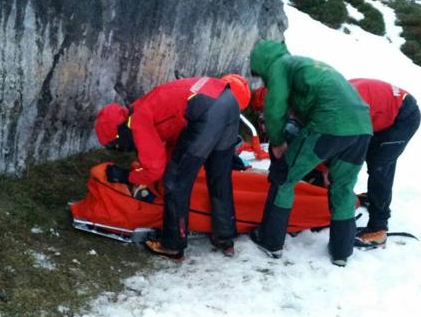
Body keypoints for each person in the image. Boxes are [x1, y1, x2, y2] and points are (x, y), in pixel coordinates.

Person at [94, 75, 251, 259]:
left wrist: (126, 176)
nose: (120, 150)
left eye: (115, 146)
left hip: (207, 112)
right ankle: (224, 237)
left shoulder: (138, 121)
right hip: (227, 100)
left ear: (119, 134)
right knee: (219, 176)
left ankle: (173, 244)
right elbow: (175, 140)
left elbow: (155, 169)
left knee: (174, 183)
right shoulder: (145, 106)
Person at [248, 40, 372, 267]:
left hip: (329, 123)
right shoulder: (305, 64)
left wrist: (276, 142)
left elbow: (275, 107)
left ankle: (271, 242)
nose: (260, 77)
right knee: (343, 187)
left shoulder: (279, 66)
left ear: (263, 62)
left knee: (283, 178)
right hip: (362, 127)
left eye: (258, 72)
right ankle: (341, 252)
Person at [349, 78, 421, 248]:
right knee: (370, 156)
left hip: (403, 116)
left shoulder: (347, 110)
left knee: (379, 168)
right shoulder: (334, 99)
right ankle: (373, 196)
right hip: (381, 110)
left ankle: (378, 229)